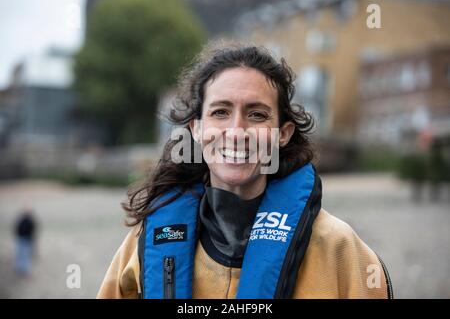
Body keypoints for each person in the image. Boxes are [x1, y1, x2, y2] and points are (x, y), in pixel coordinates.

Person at [98, 43, 392, 299]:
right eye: (220, 112)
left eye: (257, 115)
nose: (237, 132)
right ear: (196, 129)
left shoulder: (338, 247)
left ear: (283, 133)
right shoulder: (146, 242)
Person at [14, 208, 37, 275]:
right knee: (20, 254)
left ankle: (24, 269)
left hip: (26, 239)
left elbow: (32, 230)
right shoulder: (22, 220)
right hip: (21, 239)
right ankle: (20, 268)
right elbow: (17, 229)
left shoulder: (30, 221)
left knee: (25, 255)